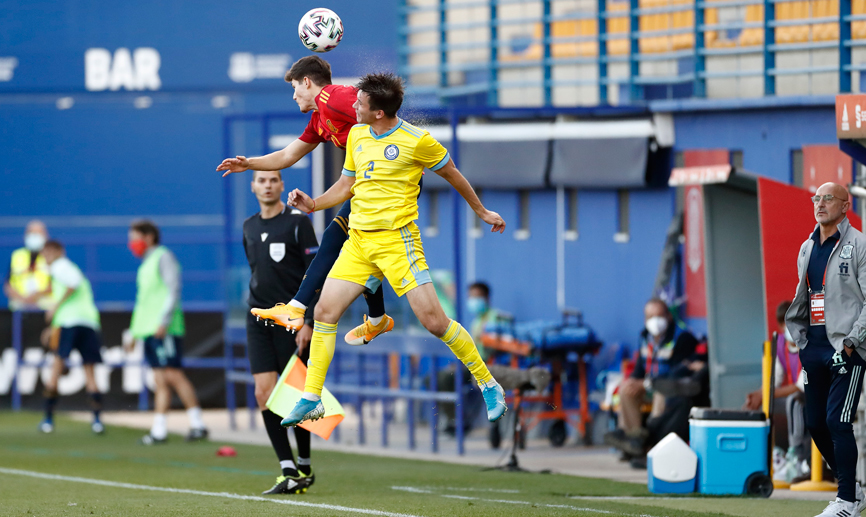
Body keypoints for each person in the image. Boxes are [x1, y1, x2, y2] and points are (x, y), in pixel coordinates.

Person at [280, 72, 508, 427]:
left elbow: (453, 175)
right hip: (359, 242)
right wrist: (314, 204)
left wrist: (481, 211)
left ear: (378, 113)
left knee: (434, 322)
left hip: (397, 243)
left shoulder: (418, 141)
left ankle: (488, 383)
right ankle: (312, 398)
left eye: (359, 103)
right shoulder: (357, 134)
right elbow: (346, 185)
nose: (352, 105)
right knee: (324, 311)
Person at [217, 55, 393, 346]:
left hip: (390, 183)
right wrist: (248, 163)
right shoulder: (319, 119)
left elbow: (376, 105)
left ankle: (297, 308)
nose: (294, 95)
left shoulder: (334, 98)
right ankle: (376, 319)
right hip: (368, 187)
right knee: (352, 245)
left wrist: (394, 150)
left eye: (295, 87)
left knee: (335, 238)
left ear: (307, 82)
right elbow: (287, 155)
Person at [786, 182, 866, 517]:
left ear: (845, 206)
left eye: (828, 198)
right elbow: (803, 296)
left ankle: (846, 500)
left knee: (838, 420)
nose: (820, 204)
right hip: (813, 346)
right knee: (815, 422)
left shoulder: (859, 244)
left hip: (846, 348)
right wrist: (800, 340)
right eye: (816, 198)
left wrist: (851, 342)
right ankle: (854, 488)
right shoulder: (806, 246)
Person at [244, 170, 317, 495]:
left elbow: (317, 273)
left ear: (282, 185)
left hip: (293, 320)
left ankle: (304, 465)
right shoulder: (248, 226)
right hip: (257, 319)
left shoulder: (299, 222)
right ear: (254, 186)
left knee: (296, 397)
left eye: (273, 180)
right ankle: (288, 470)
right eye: (262, 180)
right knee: (264, 393)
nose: (268, 185)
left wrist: (310, 321)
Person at [125, 220, 208, 445]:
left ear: (149, 237)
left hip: (164, 328)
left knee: (173, 375)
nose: (132, 243)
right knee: (160, 379)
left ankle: (197, 423)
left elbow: (173, 289)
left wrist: (164, 321)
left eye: (135, 238)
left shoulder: (163, 256)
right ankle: (159, 430)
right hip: (149, 330)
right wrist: (134, 332)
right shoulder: (146, 263)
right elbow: (143, 302)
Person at [604, 298, 699, 461]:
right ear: (645, 319)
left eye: (659, 315)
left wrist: (647, 383)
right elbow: (640, 369)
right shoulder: (644, 337)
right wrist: (634, 381)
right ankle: (633, 441)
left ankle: (655, 442)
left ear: (669, 316)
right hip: (648, 385)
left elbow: (677, 374)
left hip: (672, 388)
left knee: (661, 391)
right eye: (650, 317)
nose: (655, 321)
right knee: (626, 388)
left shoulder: (683, 338)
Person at [38, 240, 104, 434]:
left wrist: (55, 307)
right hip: (88, 322)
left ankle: (48, 420)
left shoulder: (61, 266)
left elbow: (72, 284)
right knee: (90, 373)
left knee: (56, 369)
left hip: (70, 323)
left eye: (49, 252)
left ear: (59, 251)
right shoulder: (63, 269)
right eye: (44, 252)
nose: (46, 256)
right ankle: (97, 422)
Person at [743, 300, 809, 482]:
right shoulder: (780, 344)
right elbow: (774, 379)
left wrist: (764, 394)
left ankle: (797, 457)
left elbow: (799, 386)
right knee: (757, 405)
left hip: (813, 396)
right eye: (783, 323)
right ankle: (762, 457)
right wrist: (757, 395)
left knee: (793, 400)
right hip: (795, 396)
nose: (787, 327)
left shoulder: (809, 342)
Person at [4, 220, 52, 310]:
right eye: (30, 232)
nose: (33, 236)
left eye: (37, 233)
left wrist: (35, 296)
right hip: (20, 302)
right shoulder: (17, 255)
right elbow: (7, 284)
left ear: (46, 235)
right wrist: (22, 298)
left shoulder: (51, 256)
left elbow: (55, 284)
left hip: (44, 302)